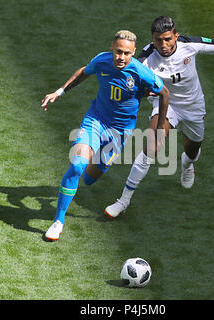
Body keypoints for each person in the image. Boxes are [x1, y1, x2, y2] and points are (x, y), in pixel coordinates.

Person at [105, 16, 214, 218]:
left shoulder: (189, 45)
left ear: (176, 36)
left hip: (193, 108)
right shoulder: (145, 58)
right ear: (152, 39)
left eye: (167, 39)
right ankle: (123, 200)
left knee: (192, 150)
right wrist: (147, 93)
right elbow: (135, 87)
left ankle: (187, 165)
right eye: (158, 40)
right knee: (152, 146)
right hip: (166, 105)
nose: (163, 45)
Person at [41, 30, 169, 241]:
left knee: (90, 179)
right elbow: (84, 71)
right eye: (118, 51)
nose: (121, 57)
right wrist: (59, 92)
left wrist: (160, 126)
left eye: (127, 53)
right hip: (96, 121)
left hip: (120, 132)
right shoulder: (102, 61)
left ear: (133, 52)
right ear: (112, 47)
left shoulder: (140, 72)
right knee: (76, 165)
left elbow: (165, 93)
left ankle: (85, 170)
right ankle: (58, 221)